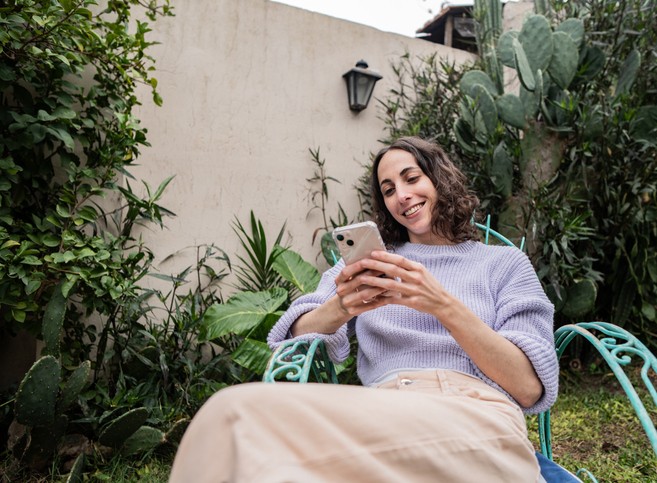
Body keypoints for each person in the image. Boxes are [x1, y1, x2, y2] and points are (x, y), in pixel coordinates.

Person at [169, 137, 571, 483]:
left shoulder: (503, 264)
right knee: (230, 413)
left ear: (440, 179)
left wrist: (442, 305)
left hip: (475, 415)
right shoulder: (374, 263)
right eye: (388, 189)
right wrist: (342, 306)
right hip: (382, 410)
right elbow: (293, 336)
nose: (402, 195)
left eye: (412, 178)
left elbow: (528, 386)